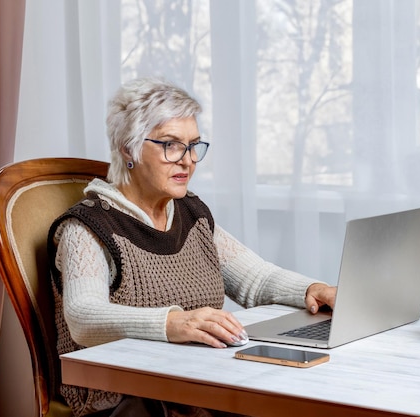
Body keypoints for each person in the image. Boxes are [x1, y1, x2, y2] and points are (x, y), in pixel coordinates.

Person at [47, 77, 337, 417]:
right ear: (129, 148)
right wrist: (173, 323)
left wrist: (314, 289)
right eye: (171, 145)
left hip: (197, 385)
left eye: (193, 145)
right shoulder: (87, 227)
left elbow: (256, 280)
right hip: (125, 400)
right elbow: (84, 317)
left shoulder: (190, 213)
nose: (188, 160)